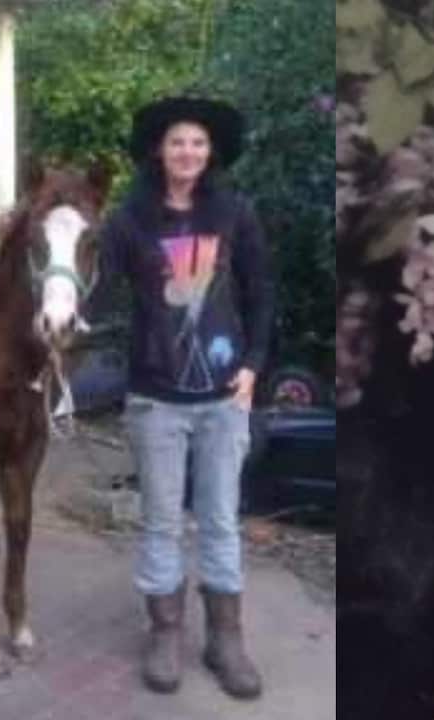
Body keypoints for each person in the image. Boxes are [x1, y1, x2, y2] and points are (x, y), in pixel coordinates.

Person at [89, 95, 274, 699]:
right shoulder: (129, 221)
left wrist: (252, 366)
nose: (188, 152)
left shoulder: (235, 213)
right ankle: (165, 632)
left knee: (220, 520)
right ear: (157, 152)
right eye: (176, 143)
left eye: (197, 142)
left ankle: (226, 639)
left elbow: (262, 292)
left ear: (210, 151)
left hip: (224, 399)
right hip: (155, 399)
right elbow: (99, 294)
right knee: (162, 521)